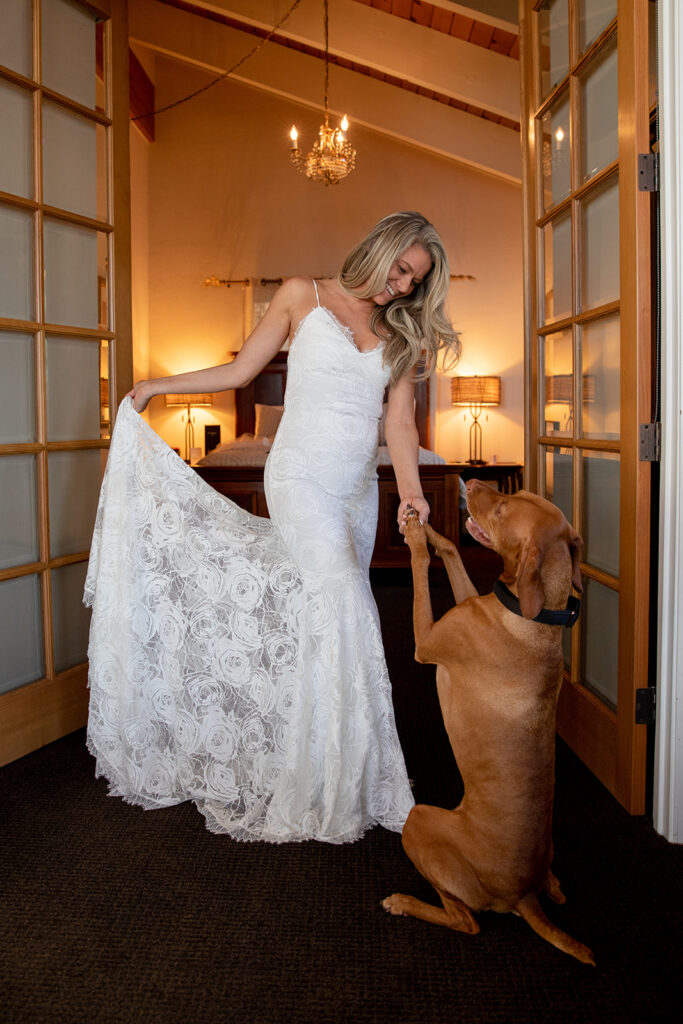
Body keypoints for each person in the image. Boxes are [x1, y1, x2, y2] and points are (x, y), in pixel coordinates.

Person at [84, 211, 461, 844]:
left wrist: (414, 495)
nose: (402, 287)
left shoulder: (403, 333)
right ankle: (335, 781)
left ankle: (330, 771)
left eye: (415, 281)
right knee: (347, 601)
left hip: (355, 493)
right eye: (400, 269)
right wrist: (155, 386)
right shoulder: (300, 295)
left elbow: (399, 424)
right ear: (379, 248)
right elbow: (238, 374)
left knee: (329, 617)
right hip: (300, 481)